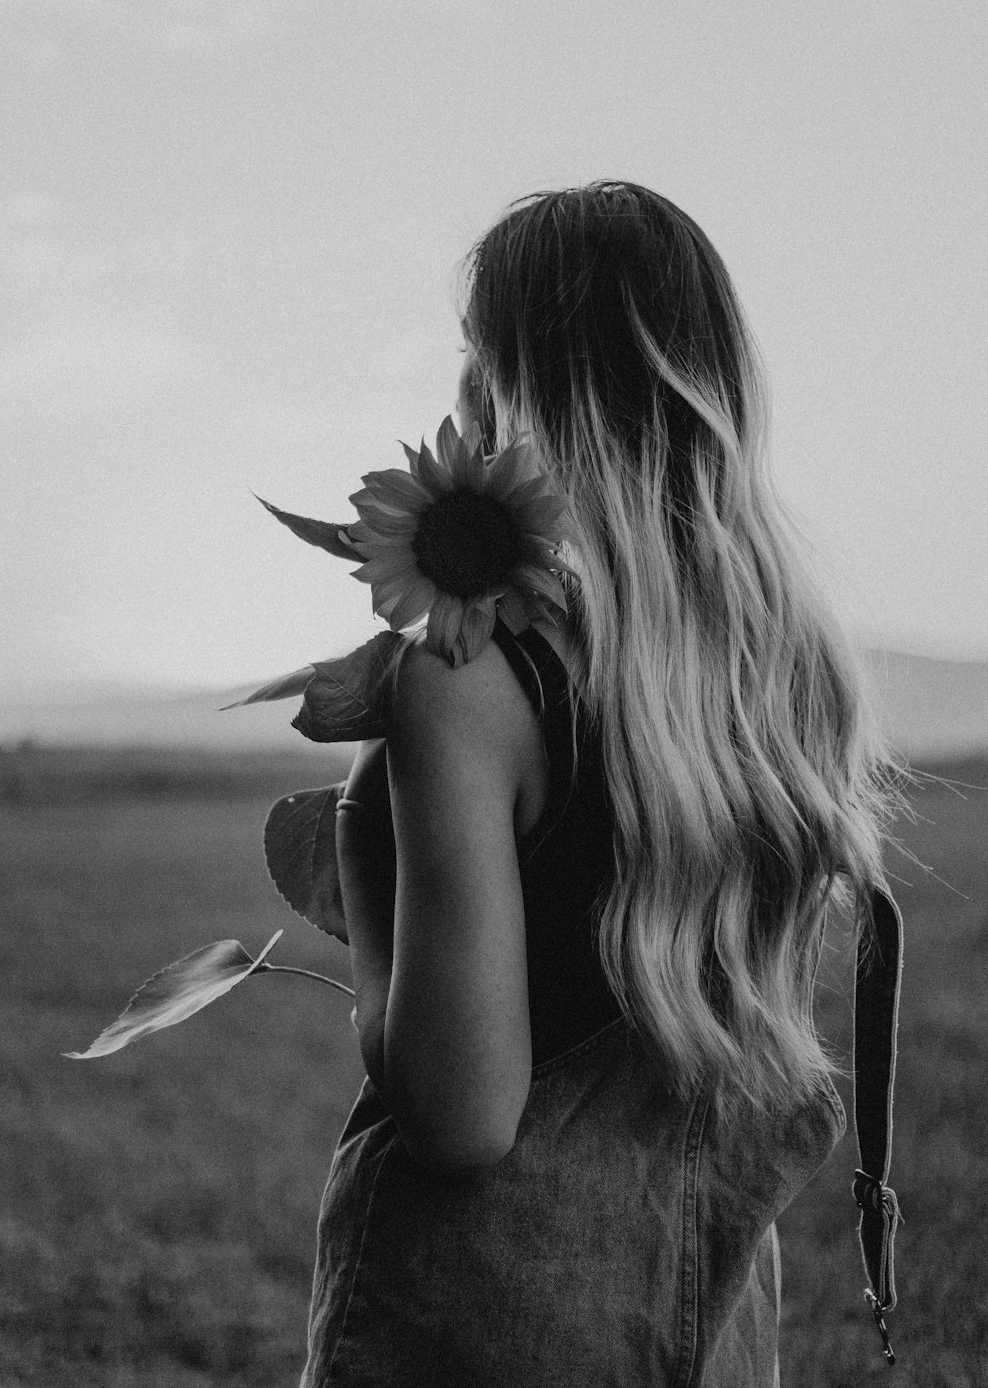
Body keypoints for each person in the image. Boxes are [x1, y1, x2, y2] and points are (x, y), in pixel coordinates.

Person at [299, 182, 904, 1386]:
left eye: (480, 361)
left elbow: (461, 1117)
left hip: (489, 1318)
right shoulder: (783, 668)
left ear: (516, 393)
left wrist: (366, 873)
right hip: (713, 1302)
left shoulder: (471, 681)